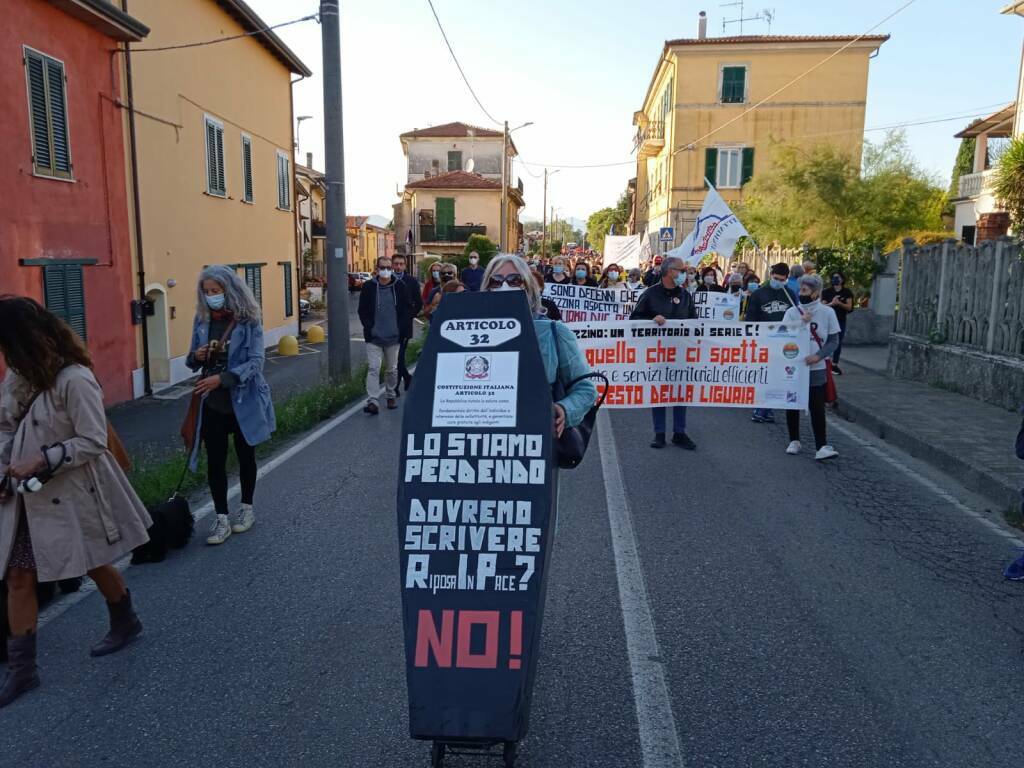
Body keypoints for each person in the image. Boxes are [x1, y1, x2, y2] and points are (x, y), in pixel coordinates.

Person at [0, 296, 152, 708]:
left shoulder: (75, 378)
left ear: (25, 339)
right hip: (26, 499)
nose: (5, 355)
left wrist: (42, 458)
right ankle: (23, 670)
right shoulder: (18, 376)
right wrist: (4, 468)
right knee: (18, 575)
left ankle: (125, 619)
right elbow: (4, 427)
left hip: (71, 492)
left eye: (7, 345)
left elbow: (92, 441)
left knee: (90, 559)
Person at [187, 265, 276, 545]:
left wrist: (223, 379)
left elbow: (256, 362)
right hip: (212, 403)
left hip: (243, 398)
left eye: (216, 291)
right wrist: (197, 356)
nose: (211, 296)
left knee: (245, 455)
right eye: (207, 291)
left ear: (230, 290)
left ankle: (246, 510)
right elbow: (191, 361)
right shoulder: (202, 320)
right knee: (215, 461)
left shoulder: (248, 320)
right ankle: (221, 517)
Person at [481, 254, 597, 447]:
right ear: (486, 288)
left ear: (528, 286)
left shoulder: (554, 332)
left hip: (536, 445)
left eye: (514, 280)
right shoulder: (465, 332)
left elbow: (586, 389)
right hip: (481, 443)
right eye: (496, 281)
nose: (504, 286)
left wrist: (564, 409)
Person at [630, 256, 698, 450]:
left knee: (680, 393)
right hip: (657, 352)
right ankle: (659, 433)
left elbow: (694, 320)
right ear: (670, 272)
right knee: (659, 391)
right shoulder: (651, 294)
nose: (684, 273)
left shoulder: (685, 295)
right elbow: (634, 318)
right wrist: (653, 318)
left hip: (681, 352)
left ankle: (679, 432)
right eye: (681, 269)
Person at [781, 274, 840, 461]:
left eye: (805, 290)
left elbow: (833, 340)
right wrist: (801, 322)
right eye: (800, 290)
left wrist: (818, 356)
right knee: (792, 403)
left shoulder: (827, 313)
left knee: (816, 406)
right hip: (793, 366)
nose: (801, 293)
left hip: (817, 367)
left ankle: (821, 445)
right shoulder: (792, 312)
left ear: (815, 293)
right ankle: (794, 440)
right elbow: (781, 334)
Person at [358, 256, 415, 415]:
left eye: (388, 267)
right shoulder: (368, 287)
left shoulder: (400, 286)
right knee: (373, 368)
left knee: (392, 369)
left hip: (393, 337)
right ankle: (373, 401)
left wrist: (401, 329)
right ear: (376, 269)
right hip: (374, 337)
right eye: (382, 267)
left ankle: (390, 395)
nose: (386, 270)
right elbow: (362, 310)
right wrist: (369, 328)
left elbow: (407, 308)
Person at [745, 263, 798, 424]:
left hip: (783, 343)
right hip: (764, 341)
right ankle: (761, 408)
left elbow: (796, 316)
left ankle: (767, 408)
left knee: (778, 377)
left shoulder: (789, 294)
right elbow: (750, 318)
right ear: (771, 276)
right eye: (775, 279)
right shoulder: (759, 294)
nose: (778, 282)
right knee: (765, 375)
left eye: (782, 280)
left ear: (786, 279)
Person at [392, 254, 423, 392]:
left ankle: (395, 387)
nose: (398, 266)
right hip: (389, 326)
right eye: (396, 264)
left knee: (399, 357)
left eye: (401, 264)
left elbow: (419, 302)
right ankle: (407, 376)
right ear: (392, 265)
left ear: (405, 265)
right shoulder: (387, 280)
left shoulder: (411, 281)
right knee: (393, 358)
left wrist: (410, 315)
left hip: (404, 326)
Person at [821, 271, 854, 375]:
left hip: (840, 320)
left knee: (838, 342)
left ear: (842, 279)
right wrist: (832, 303)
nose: (835, 279)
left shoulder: (847, 292)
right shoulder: (826, 292)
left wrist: (839, 303)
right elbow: (822, 306)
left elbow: (849, 307)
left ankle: (834, 364)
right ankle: (823, 362)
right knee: (824, 341)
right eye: (834, 277)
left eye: (838, 277)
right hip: (827, 320)